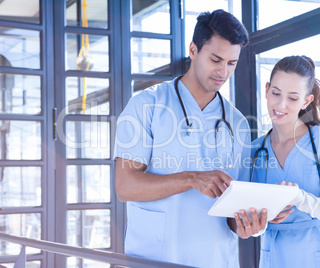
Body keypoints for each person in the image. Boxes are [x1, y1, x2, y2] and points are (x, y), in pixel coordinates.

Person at [114, 9, 274, 268]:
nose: (223, 71)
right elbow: (125, 186)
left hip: (216, 259)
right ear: (193, 49)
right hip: (156, 258)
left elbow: (235, 212)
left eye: (231, 63)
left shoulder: (238, 124)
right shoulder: (147, 105)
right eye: (215, 59)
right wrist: (191, 179)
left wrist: (247, 226)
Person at [251, 55, 320, 267]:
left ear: (306, 101)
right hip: (276, 257)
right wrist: (263, 219)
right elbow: (250, 218)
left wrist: (299, 198)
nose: (280, 104)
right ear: (266, 90)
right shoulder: (255, 150)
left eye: (292, 98)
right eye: (275, 93)